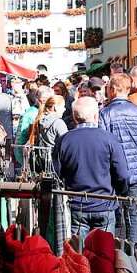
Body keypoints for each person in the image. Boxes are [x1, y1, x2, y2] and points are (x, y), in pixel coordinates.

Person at [53, 96, 129, 240]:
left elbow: (56, 174)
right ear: (96, 116)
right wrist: (120, 194)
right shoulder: (109, 139)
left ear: (75, 118)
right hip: (104, 204)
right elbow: (123, 174)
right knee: (103, 255)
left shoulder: (65, 140)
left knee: (77, 256)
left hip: (77, 205)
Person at [99, 73, 137, 240]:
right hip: (135, 172)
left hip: (112, 173)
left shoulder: (105, 114)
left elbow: (103, 146)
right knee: (132, 215)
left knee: (110, 213)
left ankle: (109, 252)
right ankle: (132, 253)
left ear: (113, 90)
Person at [27, 94, 68, 174]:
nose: (64, 109)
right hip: (55, 164)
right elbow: (66, 144)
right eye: (63, 106)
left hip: (42, 162)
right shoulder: (59, 123)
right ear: (56, 107)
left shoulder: (40, 120)